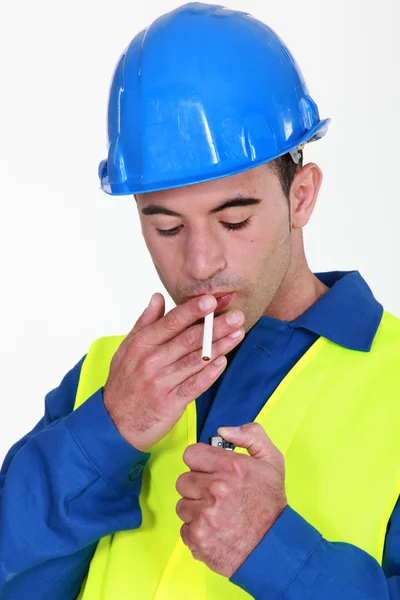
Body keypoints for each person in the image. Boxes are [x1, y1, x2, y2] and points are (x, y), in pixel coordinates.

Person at [1, 3, 399, 599]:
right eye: (166, 228)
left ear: (302, 197)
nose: (198, 264)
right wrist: (107, 433)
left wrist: (277, 554)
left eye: (234, 220)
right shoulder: (106, 380)